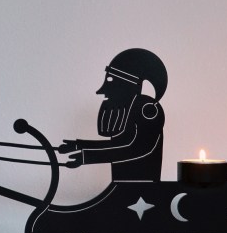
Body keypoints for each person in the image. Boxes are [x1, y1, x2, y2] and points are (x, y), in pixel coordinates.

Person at [59, 48, 167, 181]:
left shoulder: (147, 109)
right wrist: (79, 145)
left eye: (110, 80)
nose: (102, 91)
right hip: (120, 182)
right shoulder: (127, 109)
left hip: (140, 185)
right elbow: (119, 144)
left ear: (125, 84)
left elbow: (137, 148)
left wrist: (86, 157)